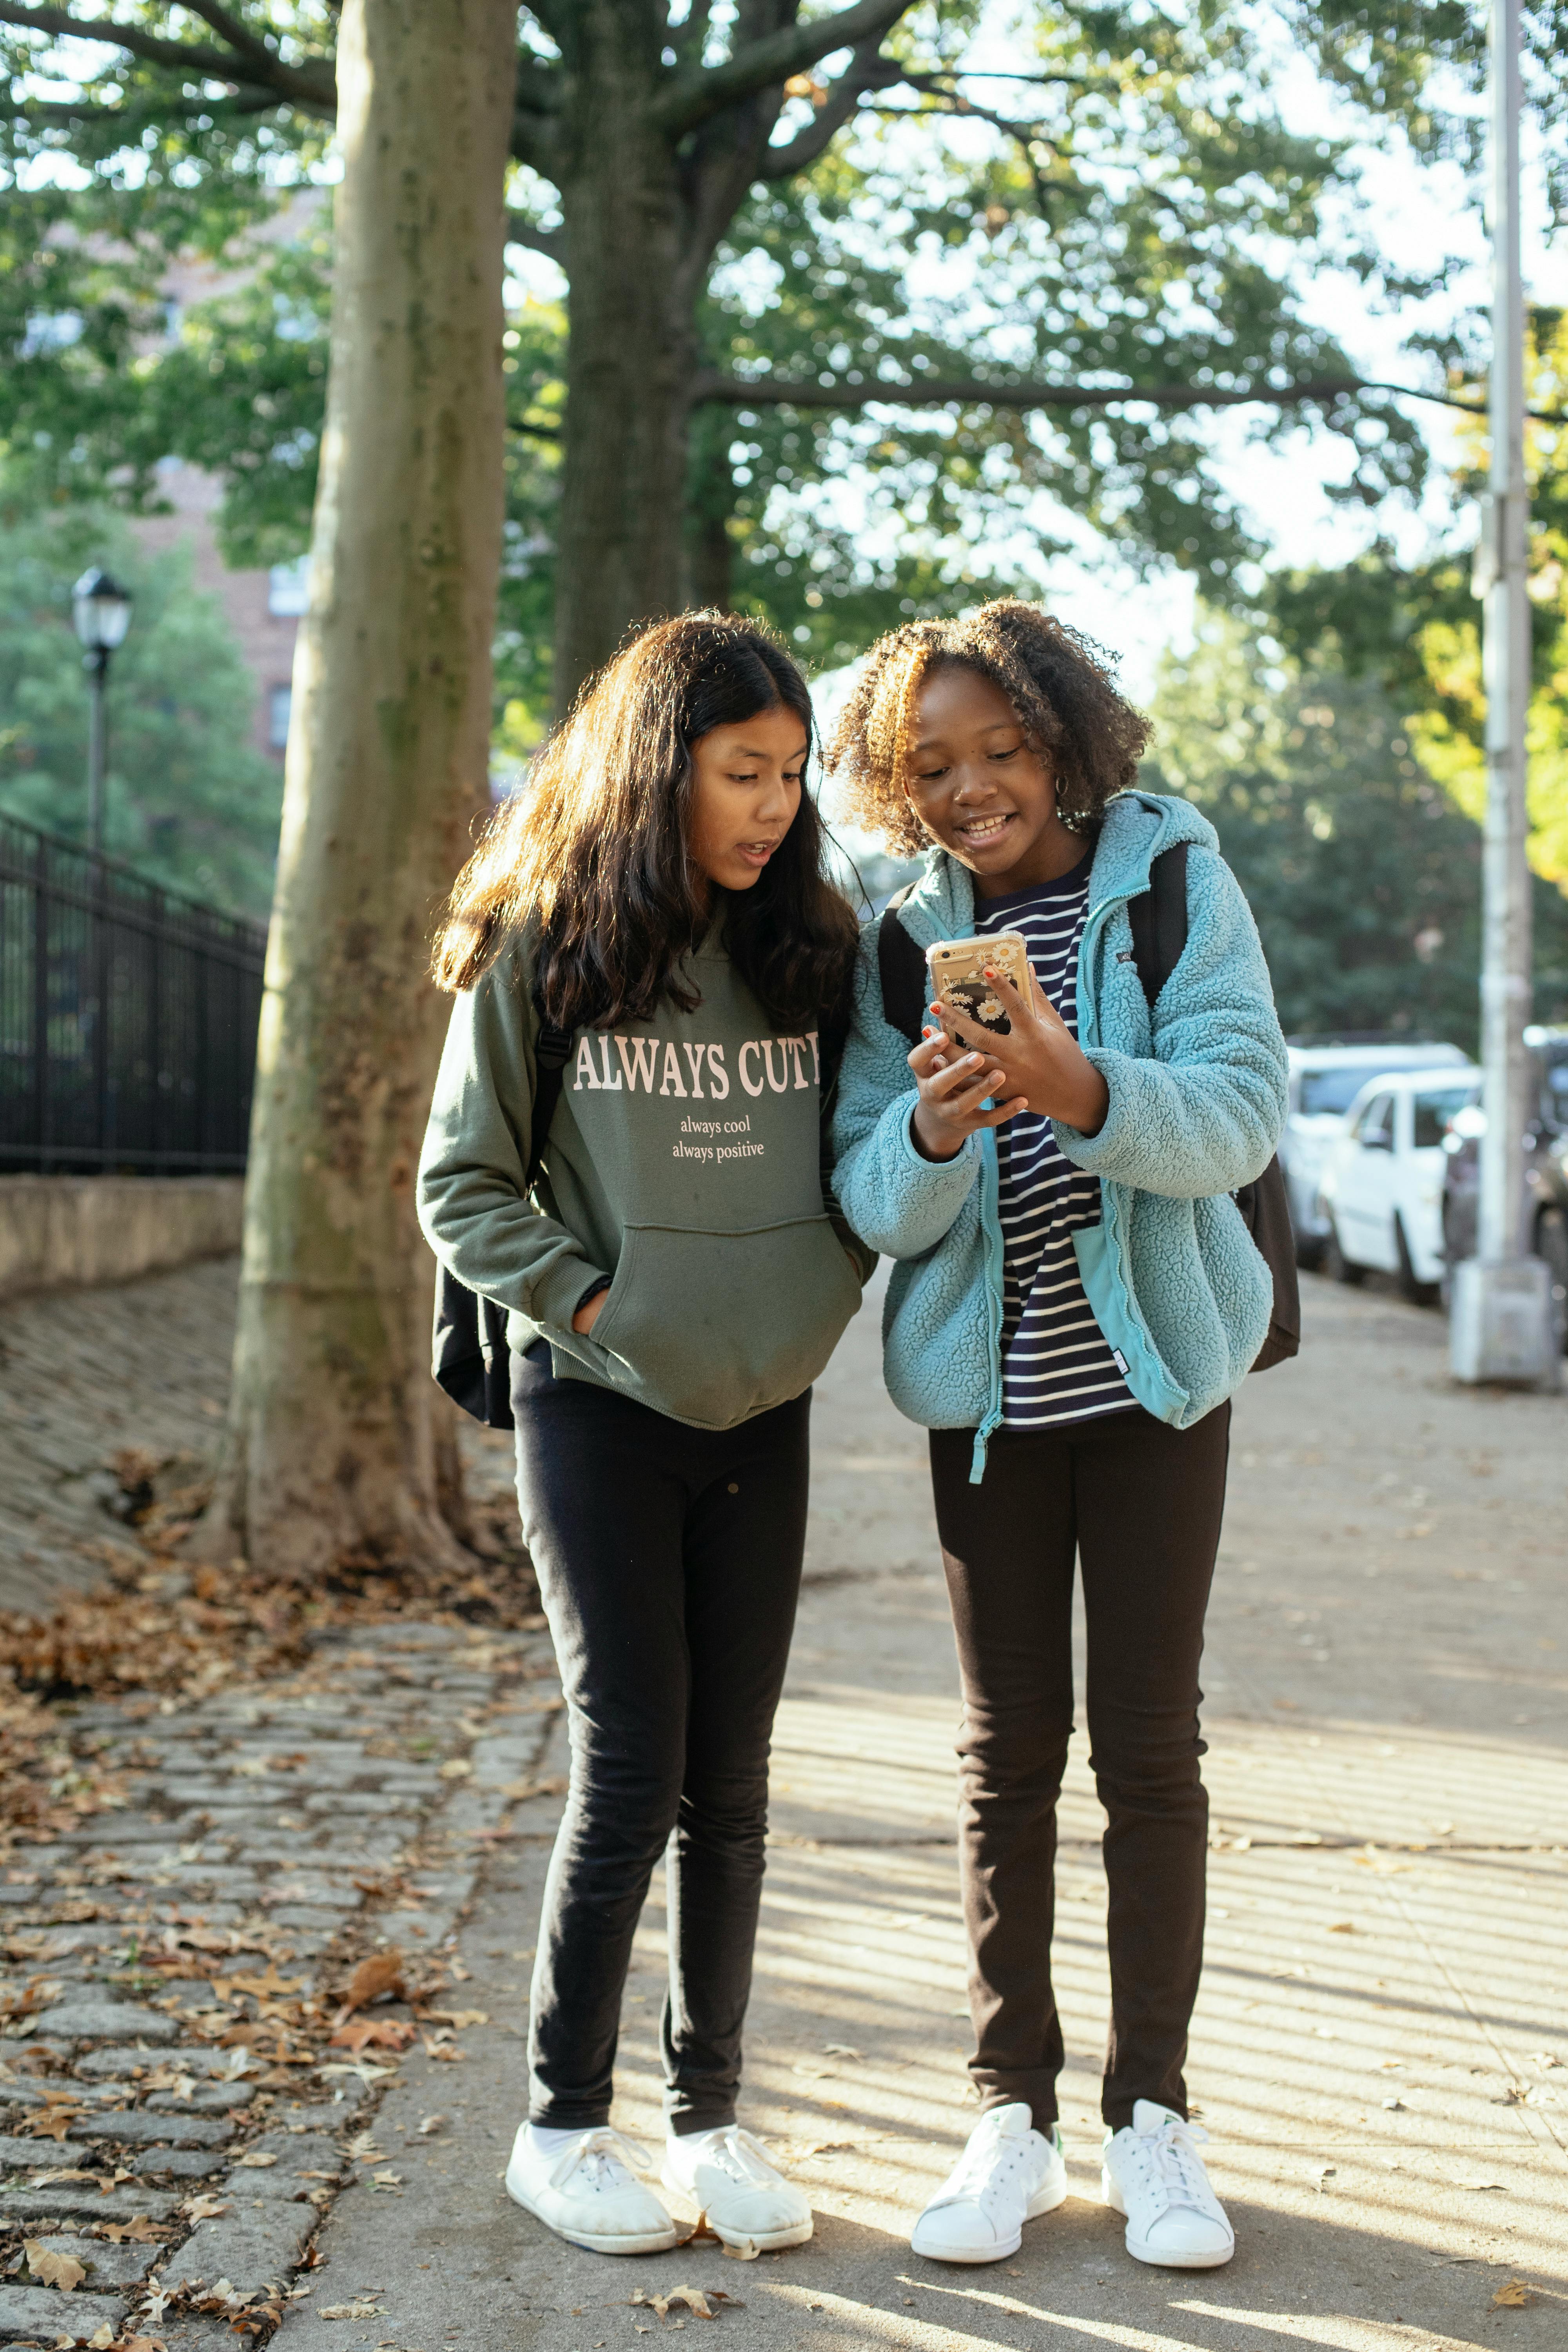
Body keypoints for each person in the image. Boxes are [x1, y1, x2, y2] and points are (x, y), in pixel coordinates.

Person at [827, 602, 1287, 2272]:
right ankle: (1005, 2118)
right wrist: (935, 1125)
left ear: (1061, 736)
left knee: (1146, 1753)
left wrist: (1077, 1085)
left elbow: (1241, 1107)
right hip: (988, 1411)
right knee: (1002, 1755)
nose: (967, 790)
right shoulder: (901, 934)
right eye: (928, 766)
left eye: (997, 752)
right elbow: (868, 1189)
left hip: (1160, 1381)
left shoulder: (1169, 878)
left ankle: (1151, 2119)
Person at [418, 615, 870, 2259]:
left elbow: (864, 1152)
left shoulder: (816, 943)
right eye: (741, 772)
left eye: (791, 775)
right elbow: (457, 1183)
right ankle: (559, 2128)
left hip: (769, 1403)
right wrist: (598, 1310)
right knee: (629, 1769)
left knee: (733, 1784)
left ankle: (711, 2119)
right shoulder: (547, 939)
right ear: (657, 761)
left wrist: (817, 1296)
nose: (771, 805)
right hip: (599, 1408)